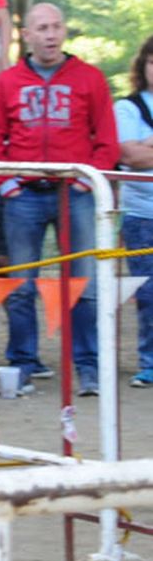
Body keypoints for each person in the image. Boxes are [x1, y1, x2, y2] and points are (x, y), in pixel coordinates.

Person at [0, 3, 119, 395]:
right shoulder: (8, 82)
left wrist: (84, 181)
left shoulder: (90, 78)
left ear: (64, 31)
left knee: (84, 282)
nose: (50, 34)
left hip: (73, 193)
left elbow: (106, 140)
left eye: (57, 26)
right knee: (22, 283)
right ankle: (24, 362)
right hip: (22, 194)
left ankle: (88, 364)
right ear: (26, 35)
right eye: (42, 28)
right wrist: (6, 183)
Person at [116, 34, 153, 389]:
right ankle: (150, 359)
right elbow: (131, 157)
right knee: (148, 292)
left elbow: (143, 153)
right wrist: (140, 150)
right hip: (142, 212)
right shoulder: (127, 108)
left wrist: (147, 146)